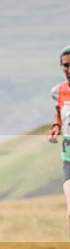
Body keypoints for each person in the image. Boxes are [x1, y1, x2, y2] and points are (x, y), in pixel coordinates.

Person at [46, 45, 70, 237]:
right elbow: (59, 113)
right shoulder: (59, 91)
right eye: (66, 66)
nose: (69, 70)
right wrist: (55, 127)